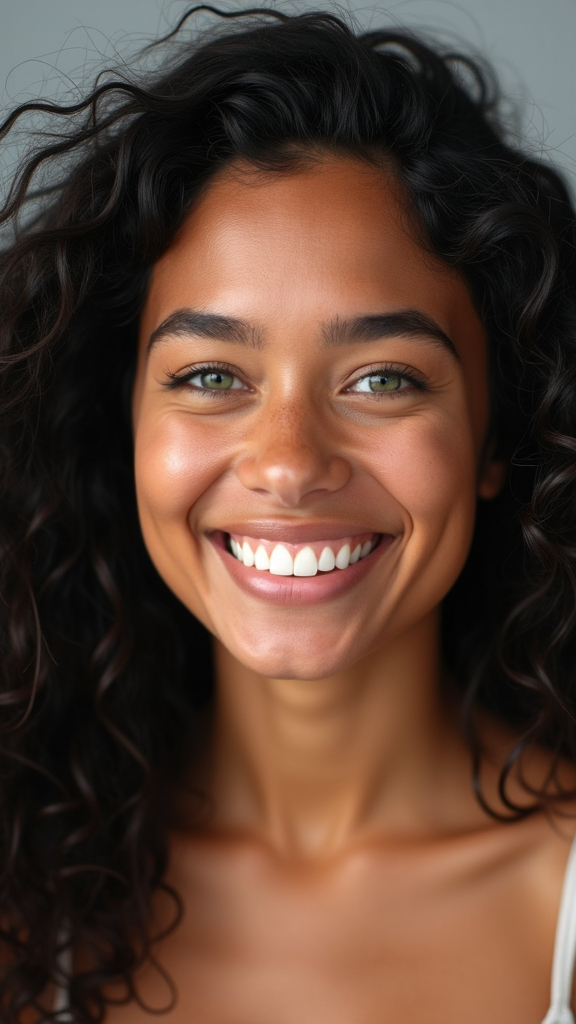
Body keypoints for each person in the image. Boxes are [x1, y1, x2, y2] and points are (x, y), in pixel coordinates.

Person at [1, 6, 576, 1022]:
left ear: (496, 436)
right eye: (214, 372)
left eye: (384, 378)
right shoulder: (23, 899)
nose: (289, 464)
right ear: (124, 420)